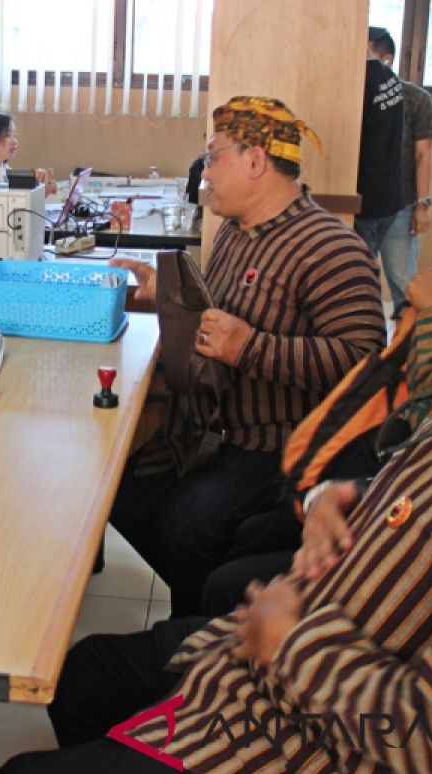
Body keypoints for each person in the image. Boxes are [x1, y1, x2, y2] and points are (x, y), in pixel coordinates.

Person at [0, 164, 432, 774]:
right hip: (278, 668)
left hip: (311, 758)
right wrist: (344, 504)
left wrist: (293, 646)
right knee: (84, 678)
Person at [108, 96, 386, 618]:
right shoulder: (234, 235)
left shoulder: (331, 248)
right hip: (212, 434)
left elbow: (363, 362)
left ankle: (195, 639)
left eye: (214, 158)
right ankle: (199, 611)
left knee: (188, 526)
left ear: (256, 161)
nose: (204, 173)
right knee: (119, 496)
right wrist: (163, 293)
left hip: (276, 448)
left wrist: (251, 348)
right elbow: (213, 315)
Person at [368, 27, 432, 311]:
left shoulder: (416, 99)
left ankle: (409, 346)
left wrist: (422, 206)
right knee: (358, 280)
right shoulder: (355, 95)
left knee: (404, 284)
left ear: (386, 59)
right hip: (363, 203)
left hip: (402, 203)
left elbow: (423, 154)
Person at [353, 27, 405, 258]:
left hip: (366, 198)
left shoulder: (361, 81)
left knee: (356, 273)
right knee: (367, 266)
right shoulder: (390, 78)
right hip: (387, 197)